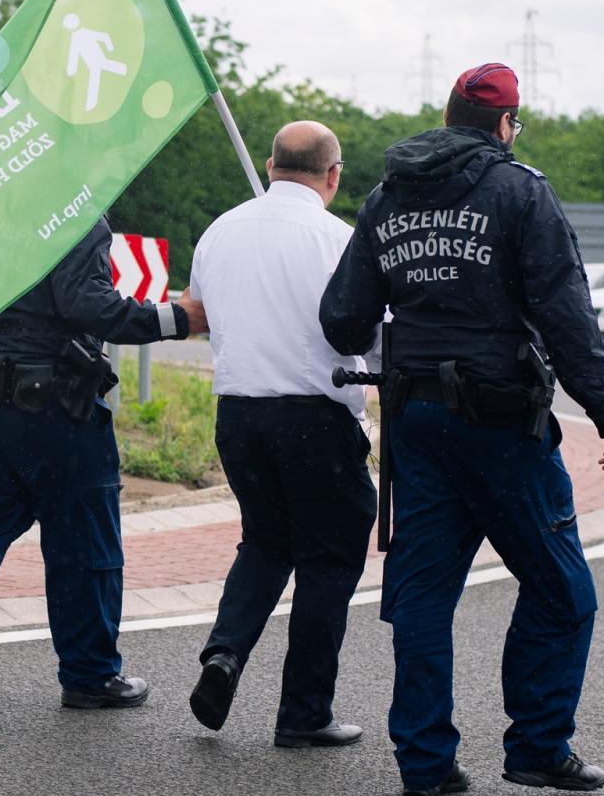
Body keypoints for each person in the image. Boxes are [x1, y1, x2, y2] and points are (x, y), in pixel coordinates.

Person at [320, 63, 604, 796]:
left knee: (425, 598)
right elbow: (564, 313)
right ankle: (537, 747)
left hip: (416, 423)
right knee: (563, 593)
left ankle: (426, 769)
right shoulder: (521, 192)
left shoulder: (385, 197)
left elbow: (341, 320)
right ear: (503, 125)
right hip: (501, 421)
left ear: (445, 114)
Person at [0, 218, 207, 713]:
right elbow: (92, 307)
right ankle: (90, 675)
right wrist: (178, 319)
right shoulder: (71, 217)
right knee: (83, 537)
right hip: (52, 404)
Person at [183, 120, 377, 749]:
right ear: (334, 175)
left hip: (237, 413)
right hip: (315, 418)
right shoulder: (339, 240)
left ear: (269, 166)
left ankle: (225, 655)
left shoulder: (218, 231)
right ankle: (304, 712)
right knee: (329, 558)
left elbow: (197, 311)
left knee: (265, 542)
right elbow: (372, 335)